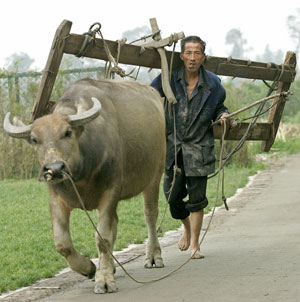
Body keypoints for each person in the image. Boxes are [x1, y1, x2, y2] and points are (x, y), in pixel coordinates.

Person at [151, 35, 230, 259]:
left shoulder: (213, 84)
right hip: (172, 148)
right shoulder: (168, 79)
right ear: (182, 56)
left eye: (197, 53)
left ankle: (195, 244)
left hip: (199, 148)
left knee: (197, 199)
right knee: (172, 197)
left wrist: (223, 115)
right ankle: (185, 227)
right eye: (189, 53)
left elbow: (219, 107)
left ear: (203, 57)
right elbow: (151, 97)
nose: (193, 58)